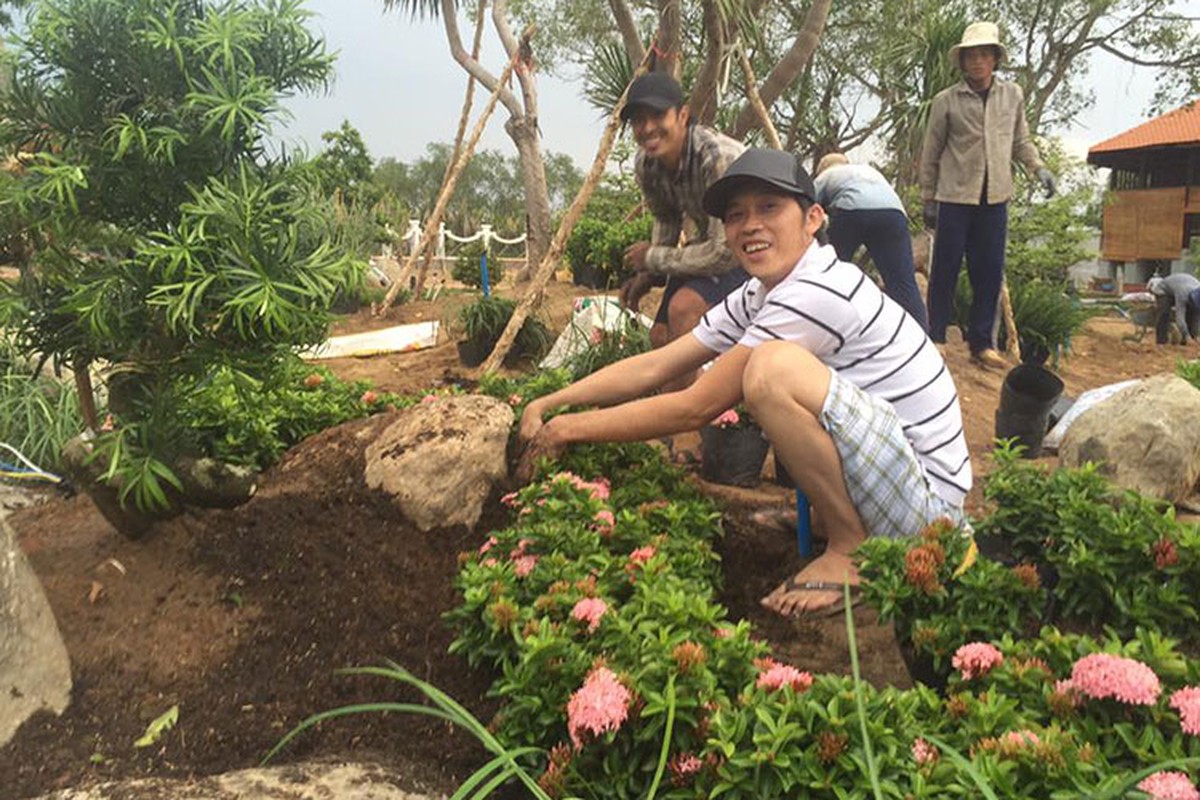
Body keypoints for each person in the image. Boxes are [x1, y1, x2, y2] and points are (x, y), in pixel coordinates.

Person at [518, 149, 972, 618]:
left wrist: (568, 429)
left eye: (769, 208)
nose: (750, 225)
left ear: (813, 218)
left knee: (770, 371)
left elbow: (695, 407)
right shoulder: (763, 289)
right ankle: (840, 520)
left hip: (928, 514)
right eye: (736, 215)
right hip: (897, 477)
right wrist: (553, 402)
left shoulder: (816, 291)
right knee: (768, 367)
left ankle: (851, 548)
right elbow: (661, 364)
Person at [919, 21, 1055, 369]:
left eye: (984, 55)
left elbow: (1020, 141)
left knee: (989, 272)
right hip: (954, 198)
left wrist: (1038, 168)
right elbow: (931, 153)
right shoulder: (946, 101)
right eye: (970, 57)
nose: (977, 62)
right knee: (945, 270)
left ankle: (982, 343)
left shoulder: (1012, 95)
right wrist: (927, 199)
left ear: (995, 59)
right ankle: (936, 336)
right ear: (962, 62)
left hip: (995, 198)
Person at [616, 72, 748, 364]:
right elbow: (666, 218)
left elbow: (723, 253)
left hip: (754, 248)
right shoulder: (647, 164)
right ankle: (673, 407)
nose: (648, 128)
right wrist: (648, 276)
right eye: (638, 120)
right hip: (716, 247)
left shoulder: (716, 158)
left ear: (683, 115)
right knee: (661, 337)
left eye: (658, 115)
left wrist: (653, 258)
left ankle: (693, 407)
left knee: (684, 310)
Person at [814, 153, 929, 329]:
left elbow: (807, 208)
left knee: (828, 271)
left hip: (852, 211)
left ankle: (822, 324)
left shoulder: (826, 175)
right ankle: (921, 337)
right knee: (902, 282)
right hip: (893, 214)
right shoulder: (868, 172)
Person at [1148, 273, 1200, 344]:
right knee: (1164, 313)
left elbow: (1196, 317)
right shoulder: (1183, 294)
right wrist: (1187, 335)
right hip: (1164, 290)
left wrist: (1195, 336)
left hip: (1179, 287)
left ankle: (1187, 341)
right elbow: (1179, 317)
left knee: (1192, 313)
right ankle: (1161, 342)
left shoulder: (1198, 291)